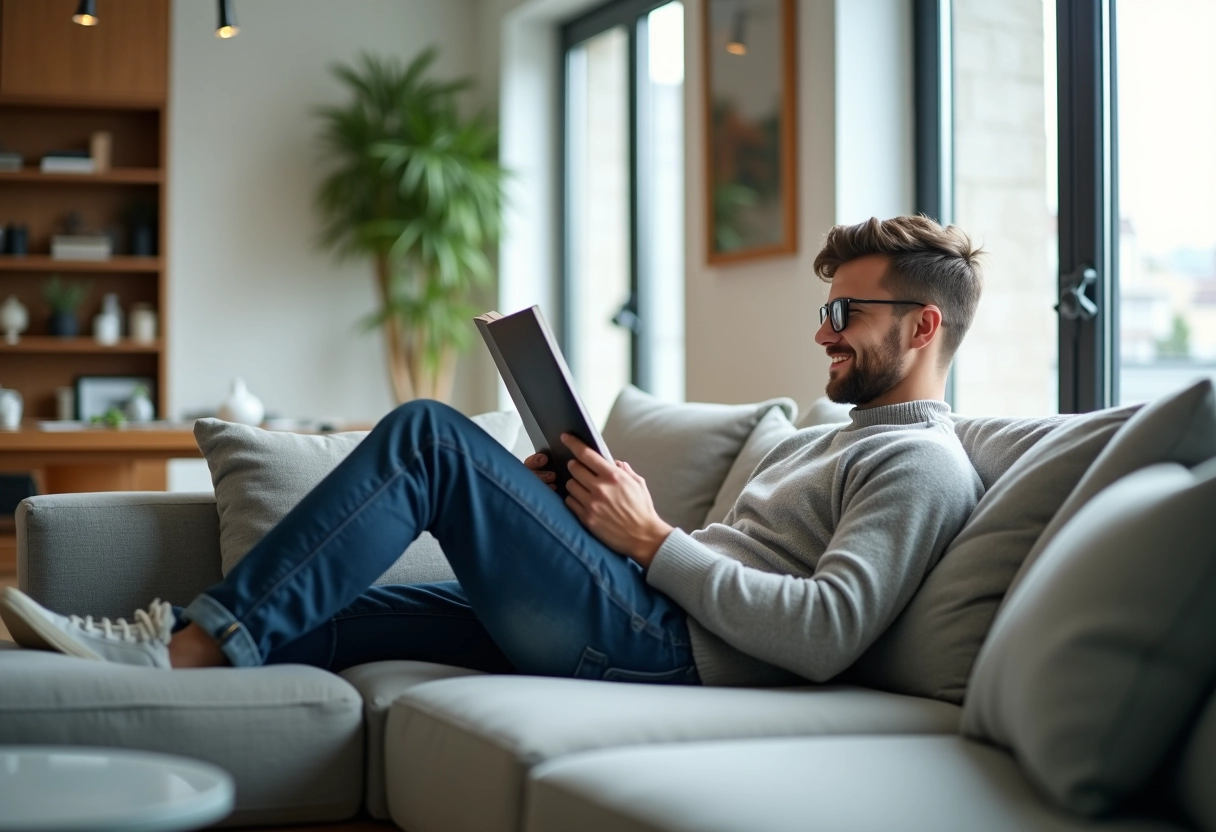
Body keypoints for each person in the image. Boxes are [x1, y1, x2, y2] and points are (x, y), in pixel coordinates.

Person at [1, 215, 986, 688]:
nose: (822, 331)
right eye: (825, 310)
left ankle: (174, 653)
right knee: (354, 613)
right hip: (648, 609)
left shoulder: (921, 465)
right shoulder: (834, 440)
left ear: (922, 326)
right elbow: (741, 566)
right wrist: (582, 509)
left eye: (844, 314)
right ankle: (149, 646)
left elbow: (822, 633)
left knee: (428, 436)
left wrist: (650, 540)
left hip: (663, 644)